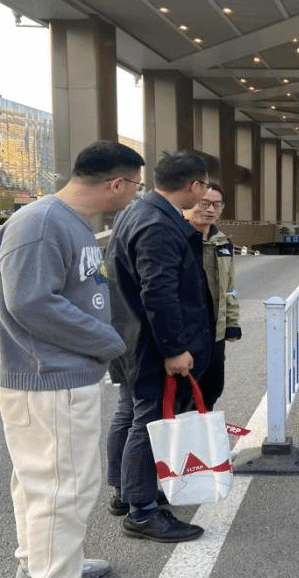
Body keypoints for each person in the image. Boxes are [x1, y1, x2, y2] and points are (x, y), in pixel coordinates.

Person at [0, 140, 145, 578]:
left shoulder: (67, 221)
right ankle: (55, 571)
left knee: (42, 484)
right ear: (117, 183)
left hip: (52, 376)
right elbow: (31, 301)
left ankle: (43, 564)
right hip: (52, 379)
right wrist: (107, 340)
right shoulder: (42, 223)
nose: (135, 194)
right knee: (64, 490)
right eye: (136, 186)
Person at [105, 151, 215, 543]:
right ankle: (142, 511)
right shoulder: (160, 225)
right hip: (150, 341)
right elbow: (159, 293)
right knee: (148, 421)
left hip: (128, 334)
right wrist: (174, 348)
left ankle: (126, 491)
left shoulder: (136, 212)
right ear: (194, 186)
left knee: (129, 413)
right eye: (204, 187)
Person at [182, 181, 241, 409]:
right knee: (185, 396)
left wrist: (232, 323)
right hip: (187, 334)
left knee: (213, 388)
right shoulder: (177, 239)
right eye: (204, 203)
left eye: (217, 205)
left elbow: (230, 287)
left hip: (214, 332)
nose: (210, 210)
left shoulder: (223, 242)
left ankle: (202, 430)